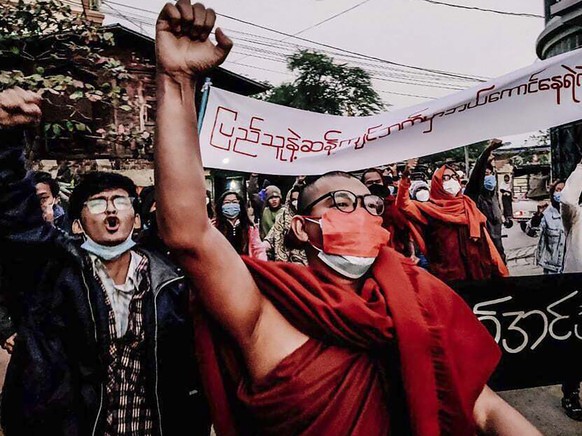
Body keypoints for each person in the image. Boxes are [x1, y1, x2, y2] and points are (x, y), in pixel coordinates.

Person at [153, 4, 540, 434]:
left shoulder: (419, 305)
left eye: (371, 205)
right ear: (301, 228)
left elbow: (484, 409)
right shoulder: (268, 310)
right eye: (340, 202)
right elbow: (188, 235)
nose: (361, 213)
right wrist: (176, 80)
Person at [0, 87, 210, 435]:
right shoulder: (54, 272)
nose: (111, 211)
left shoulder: (170, 282)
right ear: (78, 222)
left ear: (137, 217)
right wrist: (5, 141)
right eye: (97, 203)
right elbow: (14, 215)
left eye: (121, 202)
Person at [397, 159, 509, 282]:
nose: (452, 181)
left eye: (454, 177)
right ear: (437, 183)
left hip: (479, 274)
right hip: (448, 277)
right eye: (445, 178)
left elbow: (488, 244)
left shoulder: (468, 205)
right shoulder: (429, 210)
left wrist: (501, 271)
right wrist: (406, 176)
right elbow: (403, 204)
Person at [556, 161, 582, 421]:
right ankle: (570, 394)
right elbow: (567, 199)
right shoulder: (575, 217)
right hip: (577, 290)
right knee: (575, 344)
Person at [464, 139, 506, 263]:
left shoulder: (493, 196)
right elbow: (477, 171)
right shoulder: (474, 194)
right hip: (482, 254)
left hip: (498, 253)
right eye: (485, 174)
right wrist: (488, 150)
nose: (489, 177)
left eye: (490, 173)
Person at [526, 180, 566, 275]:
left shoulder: (577, 213)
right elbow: (531, 232)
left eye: (564, 190)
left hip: (572, 268)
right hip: (552, 269)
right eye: (558, 190)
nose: (560, 193)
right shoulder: (547, 213)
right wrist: (538, 215)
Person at [214, 190, 267, 259]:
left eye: (234, 202)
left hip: (245, 266)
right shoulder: (214, 226)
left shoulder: (249, 227)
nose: (231, 205)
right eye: (227, 202)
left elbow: (258, 249)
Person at [263, 186, 308, 264]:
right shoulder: (282, 218)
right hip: (284, 264)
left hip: (305, 265)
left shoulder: (310, 220)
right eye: (293, 200)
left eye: (298, 200)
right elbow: (270, 238)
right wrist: (260, 247)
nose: (296, 202)